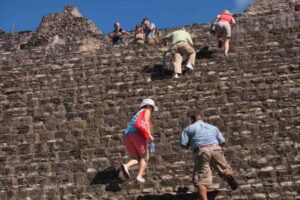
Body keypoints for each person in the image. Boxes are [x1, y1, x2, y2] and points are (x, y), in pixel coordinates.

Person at [180, 111, 238, 200]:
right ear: (202, 119)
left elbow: (183, 144)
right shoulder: (213, 127)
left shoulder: (188, 128)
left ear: (192, 120)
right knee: (223, 168)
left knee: (201, 179)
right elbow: (222, 141)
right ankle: (227, 175)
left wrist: (190, 144)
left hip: (202, 150)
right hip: (216, 148)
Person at [121, 98, 158, 183]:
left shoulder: (137, 114)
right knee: (145, 157)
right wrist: (148, 134)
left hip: (127, 136)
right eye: (152, 108)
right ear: (149, 106)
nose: (152, 110)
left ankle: (126, 166)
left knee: (136, 158)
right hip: (137, 134)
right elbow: (144, 121)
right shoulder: (147, 109)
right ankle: (139, 176)